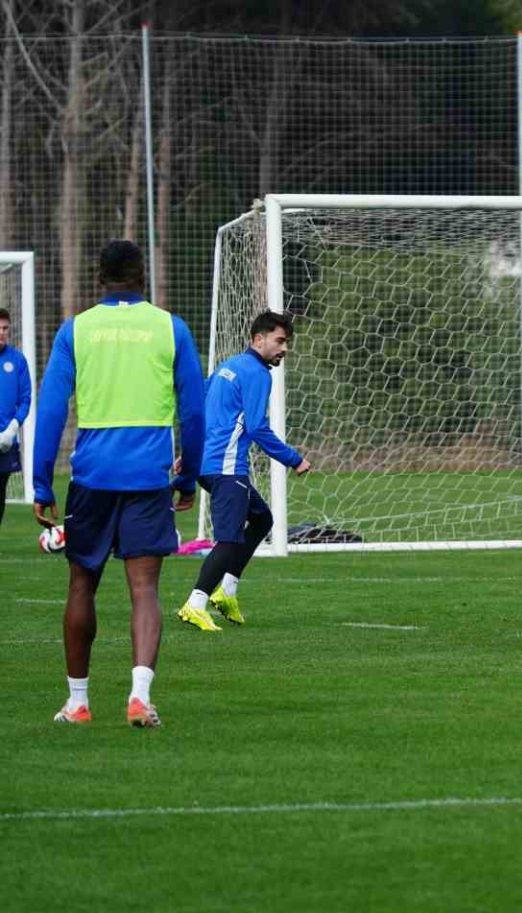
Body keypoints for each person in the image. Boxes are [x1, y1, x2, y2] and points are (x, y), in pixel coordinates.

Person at [33, 240, 205, 726]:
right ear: (142, 277)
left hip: (92, 475)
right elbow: (194, 411)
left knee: (81, 584)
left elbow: (52, 409)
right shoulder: (170, 328)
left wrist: (42, 482)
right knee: (144, 588)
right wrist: (188, 475)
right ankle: (139, 696)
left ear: (99, 280)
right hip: (148, 475)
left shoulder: (77, 329)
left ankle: (78, 703)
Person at [177, 311, 312, 631]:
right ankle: (195, 603)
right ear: (258, 339)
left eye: (287, 342)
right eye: (280, 341)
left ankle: (227, 591)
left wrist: (189, 452)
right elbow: (257, 427)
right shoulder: (258, 374)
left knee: (262, 519)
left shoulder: (228, 366)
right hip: (226, 468)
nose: (284, 349)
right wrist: (294, 459)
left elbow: (200, 411)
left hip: (207, 465)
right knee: (228, 539)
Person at [0, 307, 32, 530]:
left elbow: (25, 399)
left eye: (5, 328)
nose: (2, 332)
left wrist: (11, 430)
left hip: (6, 441)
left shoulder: (18, 360)